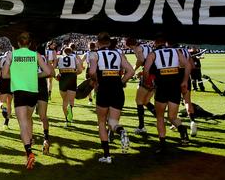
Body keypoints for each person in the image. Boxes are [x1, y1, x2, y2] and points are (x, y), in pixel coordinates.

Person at [10, 33, 53, 170]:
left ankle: (29, 147)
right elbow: (49, 71)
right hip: (38, 88)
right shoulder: (38, 55)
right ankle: (45, 138)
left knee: (25, 121)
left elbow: (7, 72)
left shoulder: (19, 55)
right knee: (40, 116)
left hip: (25, 87)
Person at [88, 33, 133, 164]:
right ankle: (121, 130)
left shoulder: (94, 54)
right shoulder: (118, 54)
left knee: (101, 122)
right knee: (113, 122)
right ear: (108, 42)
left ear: (98, 42)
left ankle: (107, 156)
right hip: (117, 89)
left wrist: (96, 81)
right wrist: (122, 82)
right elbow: (130, 71)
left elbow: (91, 72)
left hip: (104, 89)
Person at [143, 36, 192, 152]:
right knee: (172, 116)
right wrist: (185, 80)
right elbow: (188, 65)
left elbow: (146, 71)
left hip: (161, 87)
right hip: (174, 86)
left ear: (155, 42)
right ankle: (183, 131)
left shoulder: (153, 54)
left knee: (160, 117)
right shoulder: (176, 51)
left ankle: (163, 145)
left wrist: (148, 83)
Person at [125, 38, 156, 134]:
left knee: (139, 101)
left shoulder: (137, 48)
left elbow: (141, 59)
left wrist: (134, 69)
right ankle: (160, 117)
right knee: (146, 101)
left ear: (130, 45)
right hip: (155, 75)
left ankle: (141, 127)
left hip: (149, 74)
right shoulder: (145, 46)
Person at [55, 46, 83, 126]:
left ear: (63, 52)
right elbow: (80, 70)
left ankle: (67, 121)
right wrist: (74, 73)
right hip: (72, 78)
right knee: (71, 101)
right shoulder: (74, 58)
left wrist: (56, 76)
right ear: (71, 52)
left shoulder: (59, 58)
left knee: (64, 101)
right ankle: (70, 108)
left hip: (63, 79)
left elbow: (53, 68)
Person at [36, 54, 54, 155]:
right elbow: (52, 72)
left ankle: (29, 140)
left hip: (30, 86)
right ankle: (46, 139)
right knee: (43, 116)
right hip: (42, 86)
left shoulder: (26, 55)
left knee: (28, 116)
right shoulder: (42, 56)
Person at [178, 45, 197, 137]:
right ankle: (192, 121)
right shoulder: (185, 51)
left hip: (175, 77)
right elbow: (192, 66)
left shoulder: (172, 50)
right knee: (187, 101)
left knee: (173, 101)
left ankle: (176, 122)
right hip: (186, 77)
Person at [0, 51, 12, 129]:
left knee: (2, 101)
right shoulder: (13, 59)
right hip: (12, 81)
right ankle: (6, 123)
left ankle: (3, 107)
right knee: (9, 103)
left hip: (3, 81)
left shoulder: (0, 58)